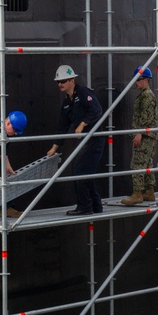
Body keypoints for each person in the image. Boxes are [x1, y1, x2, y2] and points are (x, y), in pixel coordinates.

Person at [46, 65, 105, 216]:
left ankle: (85, 206)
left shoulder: (84, 93)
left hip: (94, 138)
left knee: (79, 170)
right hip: (84, 141)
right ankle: (95, 205)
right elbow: (62, 125)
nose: (60, 84)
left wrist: (82, 124)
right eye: (58, 82)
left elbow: (96, 110)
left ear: (72, 80)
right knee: (87, 172)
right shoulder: (66, 103)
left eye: (63, 81)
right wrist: (54, 147)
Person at [120, 66, 157, 206]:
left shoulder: (147, 96)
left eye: (138, 80)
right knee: (147, 164)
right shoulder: (146, 94)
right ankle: (149, 192)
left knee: (137, 164)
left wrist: (139, 133)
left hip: (145, 135)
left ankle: (137, 194)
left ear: (146, 79)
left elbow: (145, 117)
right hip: (149, 135)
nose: (135, 83)